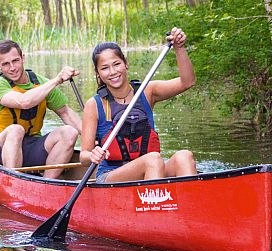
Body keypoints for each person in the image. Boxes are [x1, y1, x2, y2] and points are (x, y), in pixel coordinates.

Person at [81, 28, 197, 183]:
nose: (113, 72)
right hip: (111, 175)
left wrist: (179, 48)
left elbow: (187, 82)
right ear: (98, 73)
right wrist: (92, 155)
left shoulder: (148, 92)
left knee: (184, 156)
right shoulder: (94, 104)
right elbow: (83, 157)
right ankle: (154, 204)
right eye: (105, 68)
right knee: (154, 160)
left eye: (116, 64)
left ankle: (190, 204)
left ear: (125, 64)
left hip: (152, 167)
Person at [0, 40, 82, 179]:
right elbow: (24, 102)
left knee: (69, 132)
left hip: (32, 146)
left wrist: (95, 140)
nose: (12, 67)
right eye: (6, 64)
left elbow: (65, 113)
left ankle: (47, 182)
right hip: (1, 150)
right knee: (16, 129)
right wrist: (57, 79)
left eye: (15, 61)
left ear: (23, 58)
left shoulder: (41, 83)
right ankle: (13, 182)